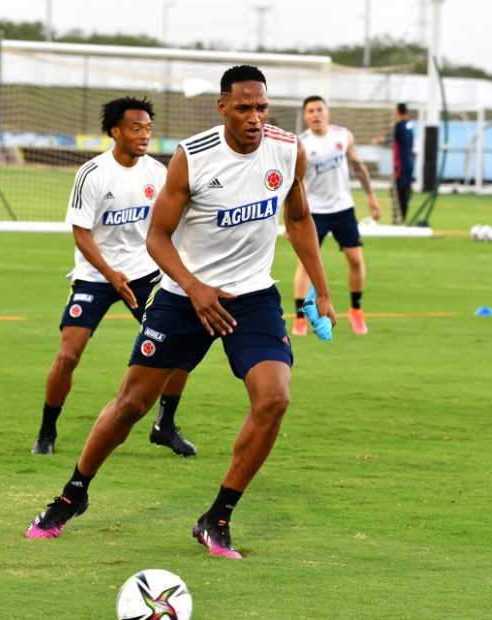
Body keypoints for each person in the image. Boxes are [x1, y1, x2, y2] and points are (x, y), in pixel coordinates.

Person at [25, 65, 336, 559]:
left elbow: (298, 218)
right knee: (131, 404)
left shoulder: (287, 148)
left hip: (253, 297)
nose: (255, 118)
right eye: (243, 108)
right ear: (222, 107)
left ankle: (217, 517)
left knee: (274, 399)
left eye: (261, 107)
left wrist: (321, 289)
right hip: (182, 296)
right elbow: (157, 237)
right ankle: (73, 493)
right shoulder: (192, 157)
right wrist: (194, 288)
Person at [31, 97, 196, 458]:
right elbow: (82, 234)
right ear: (115, 131)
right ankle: (47, 430)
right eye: (136, 128)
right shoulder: (92, 173)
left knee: (178, 348)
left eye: (149, 129)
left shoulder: (157, 172)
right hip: (95, 275)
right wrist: (111, 274)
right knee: (69, 355)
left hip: (144, 273)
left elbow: (172, 224)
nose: (144, 135)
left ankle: (164, 426)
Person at [292, 95, 380, 337]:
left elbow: (358, 166)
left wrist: (371, 196)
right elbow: (292, 183)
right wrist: (290, 221)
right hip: (313, 212)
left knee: (355, 260)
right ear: (305, 116)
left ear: (327, 112)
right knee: (305, 265)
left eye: (319, 109)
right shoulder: (299, 144)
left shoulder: (343, 135)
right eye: (310, 111)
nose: (316, 114)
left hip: (343, 209)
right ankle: (299, 317)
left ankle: (356, 310)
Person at [392, 102, 415, 224]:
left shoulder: (399, 126)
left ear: (398, 112)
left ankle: (399, 219)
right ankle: (402, 218)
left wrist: (379, 140)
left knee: (398, 193)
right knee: (403, 192)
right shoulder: (410, 125)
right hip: (410, 163)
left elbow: (393, 141)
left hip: (401, 164)